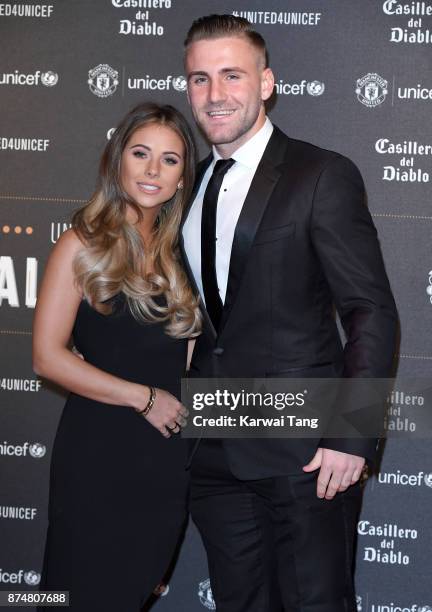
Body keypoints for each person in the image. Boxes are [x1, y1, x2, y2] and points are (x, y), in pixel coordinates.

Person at [180, 14, 398, 612]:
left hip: (305, 453)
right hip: (217, 451)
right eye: (199, 79)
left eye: (231, 75)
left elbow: (371, 310)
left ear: (267, 82)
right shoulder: (192, 185)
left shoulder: (320, 174)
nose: (215, 94)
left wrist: (352, 436)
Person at [33, 102, 201, 611]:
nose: (153, 171)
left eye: (170, 160)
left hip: (165, 461)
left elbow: (192, 359)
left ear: (180, 179)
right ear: (117, 161)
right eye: (141, 153)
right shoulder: (81, 244)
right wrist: (142, 398)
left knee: (129, 594)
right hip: (98, 456)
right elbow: (46, 357)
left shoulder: (182, 252)